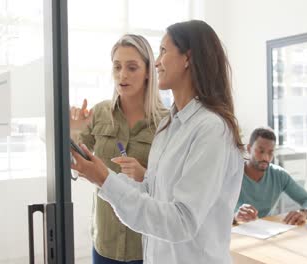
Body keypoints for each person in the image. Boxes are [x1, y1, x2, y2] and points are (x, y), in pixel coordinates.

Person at [71, 20, 244, 264]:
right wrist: (98, 175)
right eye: (117, 66)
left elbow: (181, 221)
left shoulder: (211, 130)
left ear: (188, 58)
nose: (157, 62)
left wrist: (105, 179)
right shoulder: (169, 127)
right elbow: (151, 191)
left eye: (163, 51)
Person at [70, 34, 168, 264]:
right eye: (117, 67)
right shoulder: (99, 113)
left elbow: (173, 187)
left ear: (147, 72)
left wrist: (144, 175)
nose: (122, 75)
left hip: (147, 244)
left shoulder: (167, 122)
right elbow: (75, 165)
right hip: (106, 242)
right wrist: (72, 131)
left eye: (132, 67)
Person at [234, 127, 307, 225]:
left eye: (270, 152)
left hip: (268, 231)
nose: (265, 157)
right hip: (237, 232)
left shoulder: (279, 175)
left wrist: (304, 212)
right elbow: (215, 210)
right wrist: (235, 217)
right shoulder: (233, 175)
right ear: (249, 149)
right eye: (261, 151)